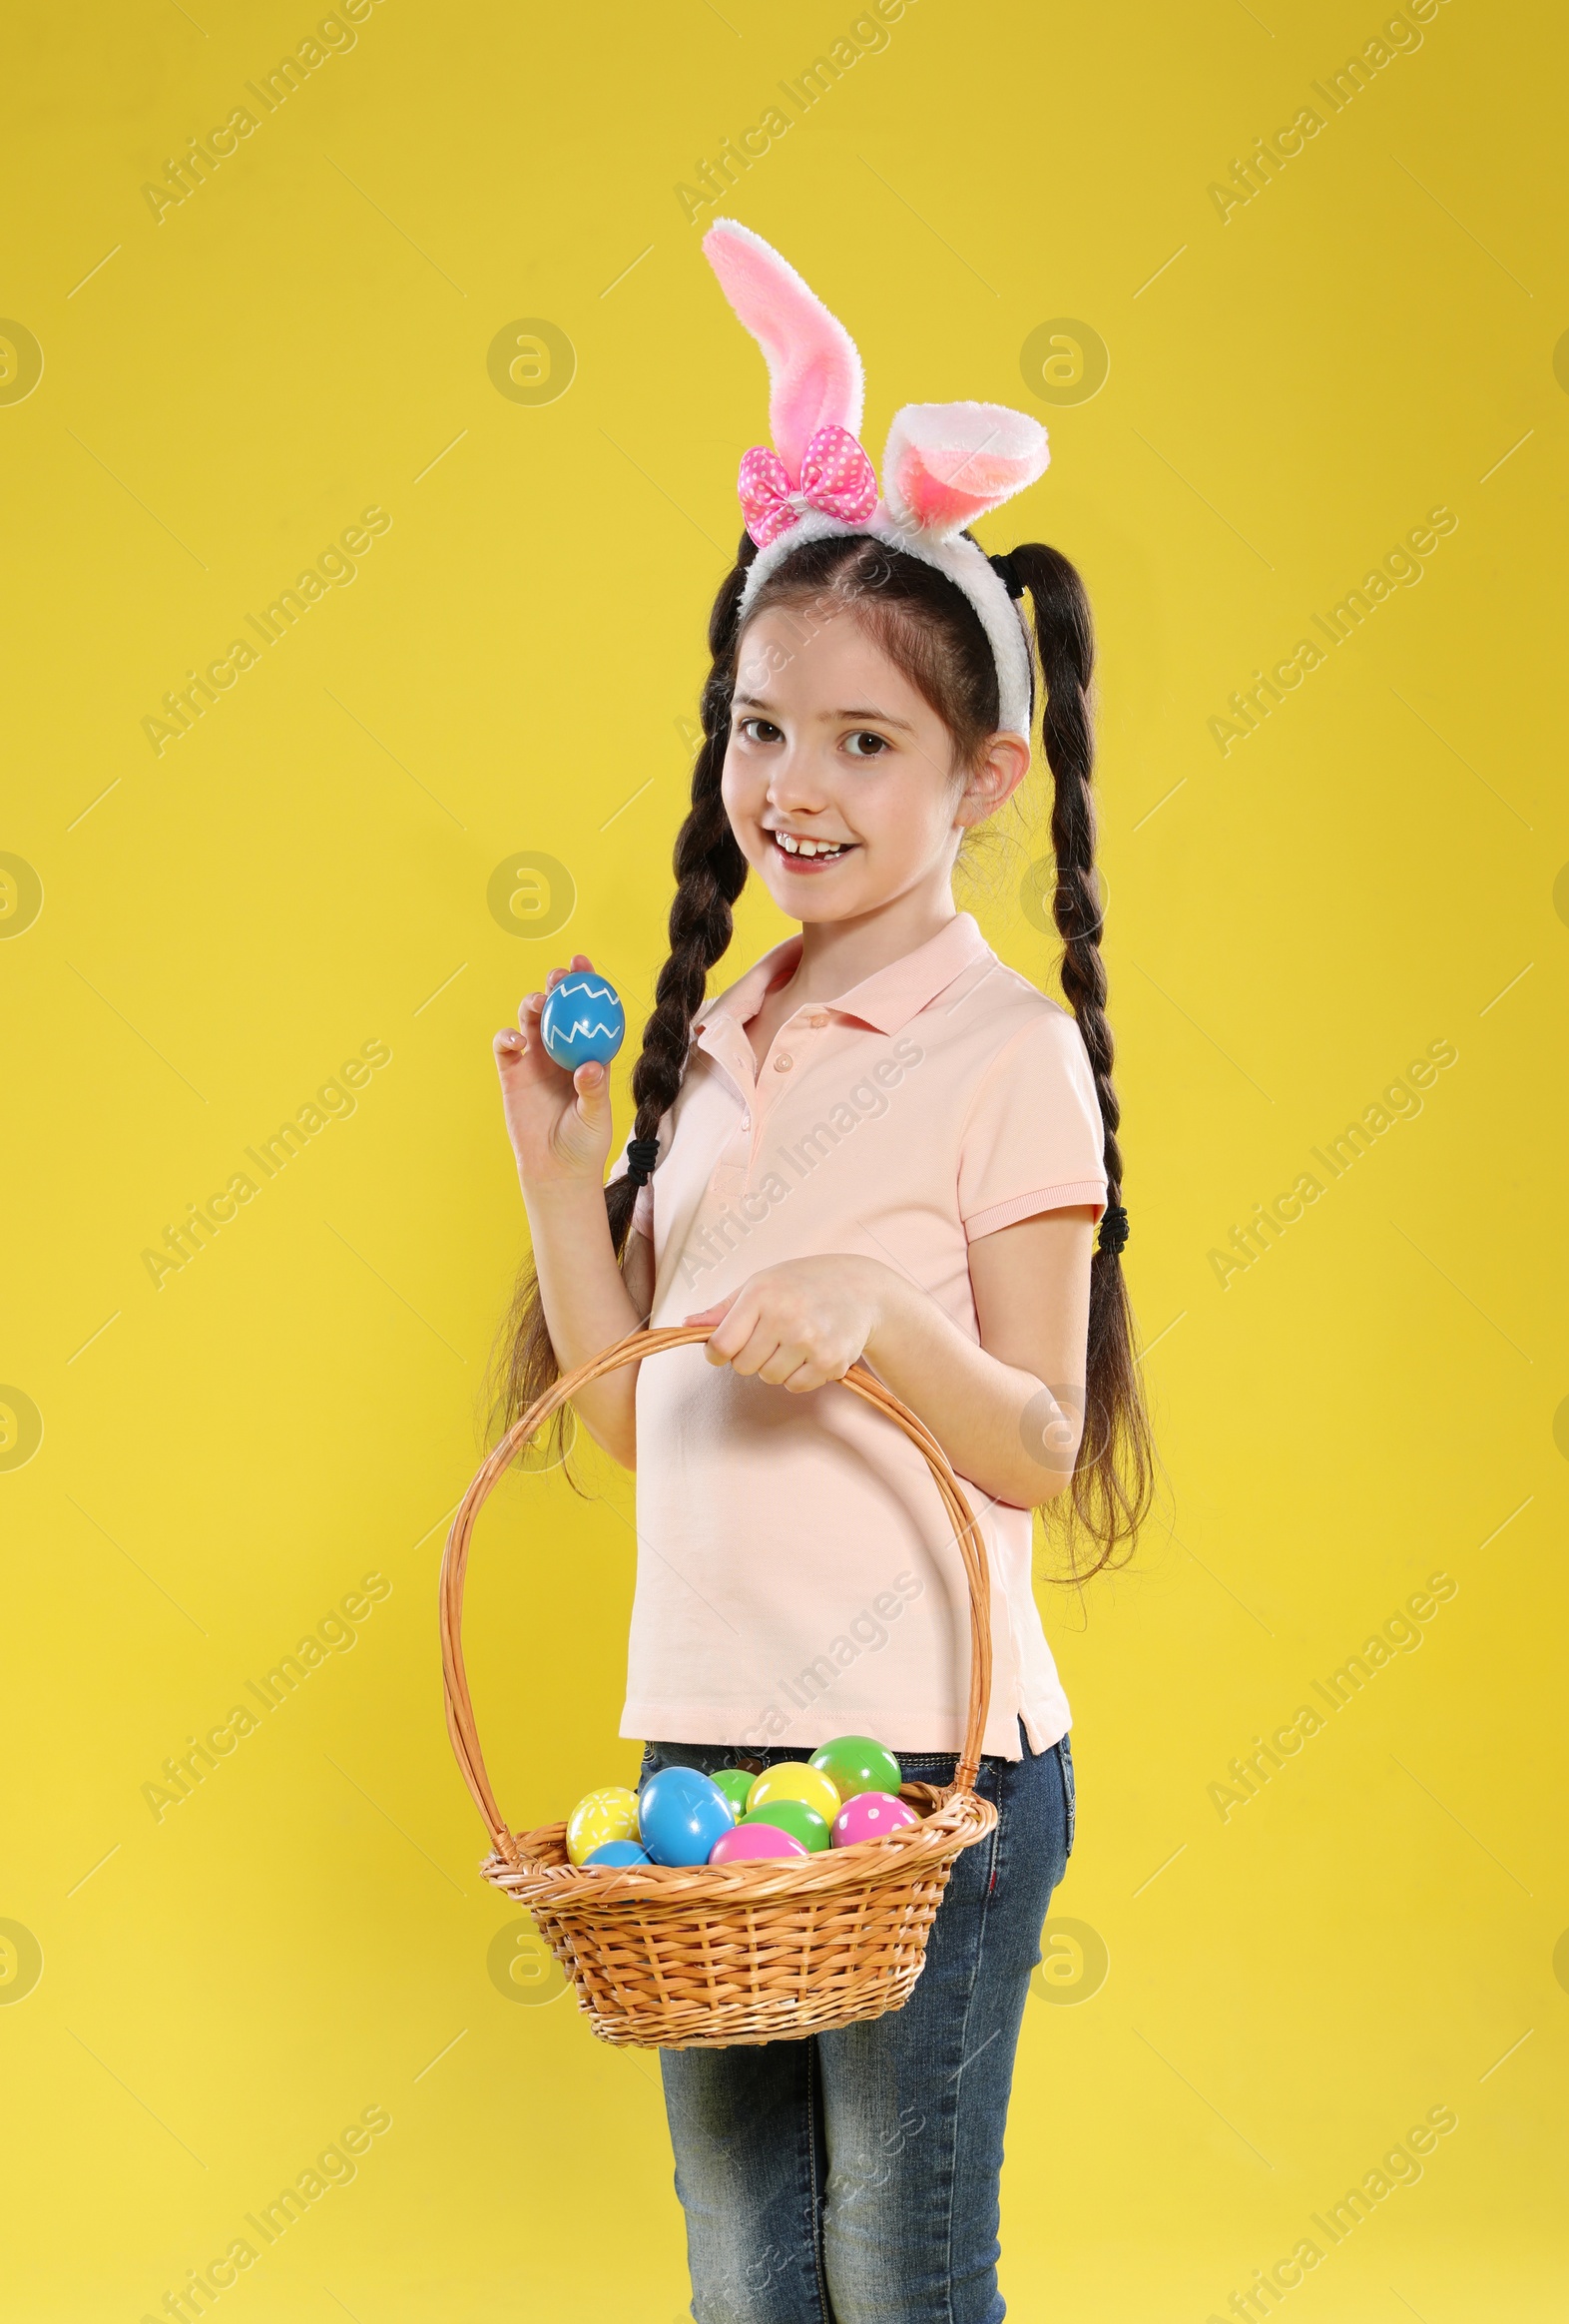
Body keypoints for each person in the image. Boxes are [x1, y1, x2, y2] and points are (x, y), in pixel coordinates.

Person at [490, 222, 1154, 2324]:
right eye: (759, 729)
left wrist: (877, 1325)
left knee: (896, 2271)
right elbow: (621, 1409)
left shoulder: (1002, 1053)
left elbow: (1038, 1445)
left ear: (978, 780)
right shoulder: (708, 1036)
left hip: (919, 1778)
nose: (790, 787)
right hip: (704, 1763)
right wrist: (554, 1169)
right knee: (743, 2269)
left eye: (862, 744)